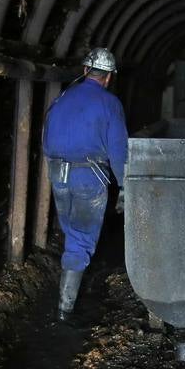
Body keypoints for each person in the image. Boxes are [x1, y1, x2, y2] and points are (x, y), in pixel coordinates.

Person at [42, 47, 128, 322]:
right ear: (109, 77)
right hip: (88, 177)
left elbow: (46, 139)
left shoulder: (61, 99)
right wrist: (125, 186)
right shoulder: (109, 103)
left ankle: (66, 299)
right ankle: (65, 312)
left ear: (85, 71)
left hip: (59, 175)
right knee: (81, 240)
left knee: (71, 233)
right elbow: (118, 150)